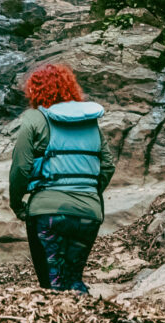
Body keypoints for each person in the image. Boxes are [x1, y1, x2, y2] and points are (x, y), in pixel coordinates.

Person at [8, 62, 115, 293]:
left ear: (35, 91)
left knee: (52, 284)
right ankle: (85, 321)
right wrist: (89, 193)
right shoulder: (90, 121)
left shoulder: (34, 119)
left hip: (47, 214)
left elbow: (21, 168)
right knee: (73, 278)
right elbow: (107, 165)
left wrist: (17, 204)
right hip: (88, 214)